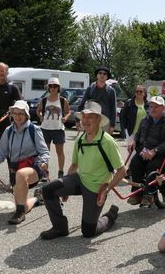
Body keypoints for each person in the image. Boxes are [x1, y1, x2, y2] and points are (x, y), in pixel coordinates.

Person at [40, 100, 125, 240]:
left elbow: (122, 171)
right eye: (83, 116)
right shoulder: (80, 139)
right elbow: (74, 165)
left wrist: (106, 190)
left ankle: (111, 215)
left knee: (88, 232)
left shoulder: (108, 141)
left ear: (98, 119)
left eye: (90, 117)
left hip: (97, 187)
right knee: (49, 189)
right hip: (80, 180)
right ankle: (60, 227)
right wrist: (64, 184)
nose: (85, 120)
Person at [0, 101, 50, 225]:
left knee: (21, 174)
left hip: (34, 169)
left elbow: (44, 152)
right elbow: (1, 153)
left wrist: (43, 162)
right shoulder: (8, 131)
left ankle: (20, 215)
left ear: (26, 115)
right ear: (11, 114)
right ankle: (38, 198)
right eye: (15, 113)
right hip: (14, 171)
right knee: (22, 206)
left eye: (21, 113)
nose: (18, 116)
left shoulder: (34, 129)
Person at [127, 96, 165, 206]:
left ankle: (149, 194)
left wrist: (154, 151)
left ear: (163, 108)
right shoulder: (145, 120)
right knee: (134, 164)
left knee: (152, 167)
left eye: (156, 107)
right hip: (145, 150)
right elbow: (138, 135)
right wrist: (134, 141)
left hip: (162, 154)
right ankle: (137, 193)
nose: (153, 109)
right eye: (151, 106)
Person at [36, 77, 71, 178]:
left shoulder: (62, 100)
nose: (53, 88)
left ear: (58, 87)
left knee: (60, 152)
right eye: (50, 86)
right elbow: (38, 110)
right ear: (48, 88)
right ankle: (44, 172)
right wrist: (41, 116)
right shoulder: (44, 100)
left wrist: (65, 117)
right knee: (45, 153)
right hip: (45, 129)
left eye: (55, 86)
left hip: (58, 129)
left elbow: (69, 111)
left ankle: (60, 172)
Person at [77, 67, 117, 134]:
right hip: (90, 120)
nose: (102, 75)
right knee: (89, 142)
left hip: (105, 121)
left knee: (103, 143)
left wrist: (112, 125)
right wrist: (77, 120)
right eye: (100, 73)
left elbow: (113, 109)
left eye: (104, 74)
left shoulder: (111, 91)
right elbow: (82, 104)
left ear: (107, 77)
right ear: (97, 75)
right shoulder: (90, 88)